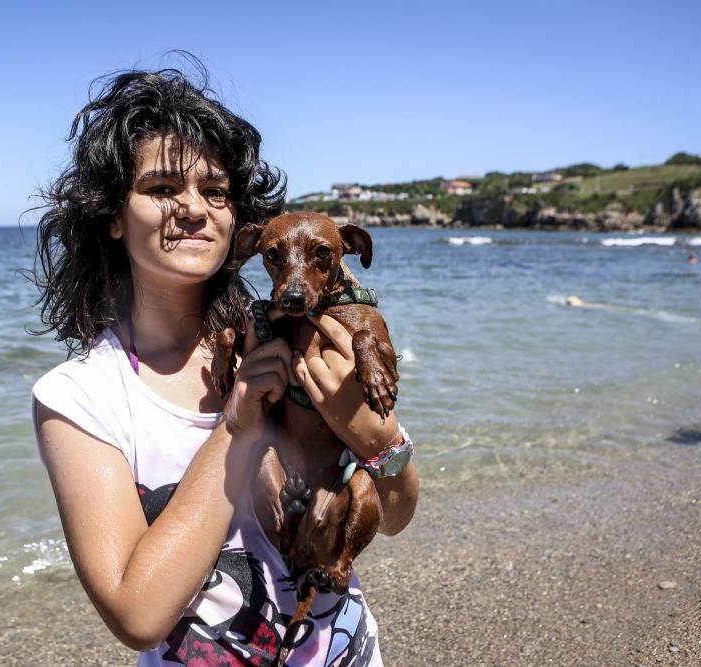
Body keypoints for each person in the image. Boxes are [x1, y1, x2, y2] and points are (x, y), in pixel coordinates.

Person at [31, 60, 419, 666]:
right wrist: (236, 429)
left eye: (215, 191)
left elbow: (394, 516)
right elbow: (138, 615)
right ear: (111, 215)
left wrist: (373, 434)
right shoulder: (81, 397)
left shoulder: (296, 332)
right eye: (162, 189)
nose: (194, 209)